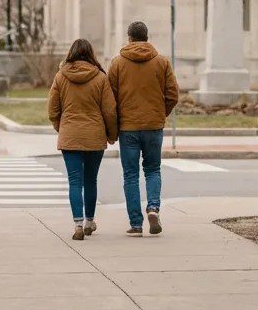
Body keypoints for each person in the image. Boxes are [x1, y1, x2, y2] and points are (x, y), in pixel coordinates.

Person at [108, 21, 179, 237]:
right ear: (147, 37)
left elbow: (110, 98)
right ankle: (154, 208)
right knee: (153, 170)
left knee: (130, 175)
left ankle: (136, 224)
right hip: (153, 126)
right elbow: (173, 95)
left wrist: (115, 123)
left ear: (129, 38)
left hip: (128, 128)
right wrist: (159, 113)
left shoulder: (117, 63)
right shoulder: (162, 62)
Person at [48, 39, 118, 241]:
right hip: (94, 136)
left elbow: (52, 109)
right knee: (90, 180)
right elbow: (110, 111)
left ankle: (77, 224)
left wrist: (61, 128)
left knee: (74, 182)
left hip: (70, 134)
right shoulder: (100, 78)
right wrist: (112, 134)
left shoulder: (61, 76)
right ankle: (89, 221)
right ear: (91, 54)